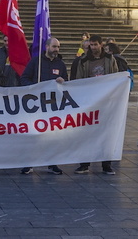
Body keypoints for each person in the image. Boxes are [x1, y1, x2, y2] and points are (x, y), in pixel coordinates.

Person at [19, 37, 68, 175]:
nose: (56, 50)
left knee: (52, 136)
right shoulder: (36, 62)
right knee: (33, 135)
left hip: (53, 106)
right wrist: (35, 88)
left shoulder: (61, 64)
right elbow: (24, 79)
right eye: (54, 47)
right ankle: (29, 163)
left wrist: (62, 81)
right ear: (47, 47)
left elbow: (67, 83)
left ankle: (52, 163)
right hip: (36, 105)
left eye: (58, 47)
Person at [74, 35, 119, 175]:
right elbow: (79, 80)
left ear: (101, 44)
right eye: (91, 45)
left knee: (106, 133)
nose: (93, 47)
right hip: (89, 102)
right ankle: (84, 164)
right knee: (86, 133)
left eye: (95, 44)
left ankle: (106, 165)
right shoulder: (83, 61)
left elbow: (116, 77)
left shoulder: (110, 59)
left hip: (106, 102)